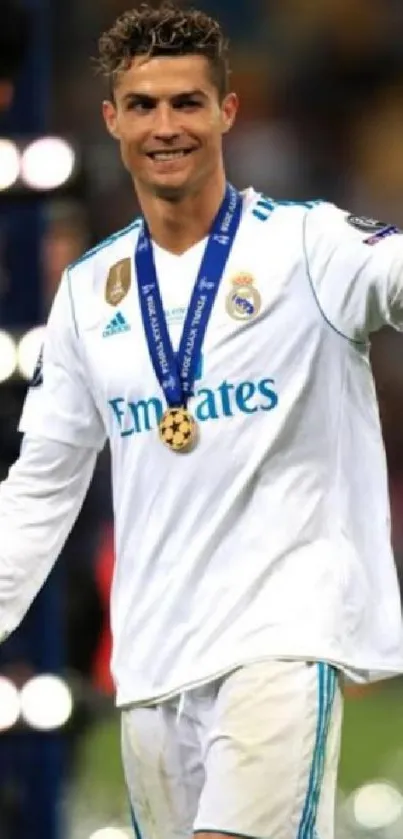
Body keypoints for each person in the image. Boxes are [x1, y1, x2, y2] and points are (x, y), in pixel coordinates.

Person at [0, 2, 403, 838]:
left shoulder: (308, 247)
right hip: (151, 663)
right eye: (143, 105)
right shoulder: (89, 291)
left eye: (187, 102)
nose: (165, 125)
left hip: (278, 642)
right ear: (111, 119)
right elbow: (41, 486)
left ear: (226, 110)